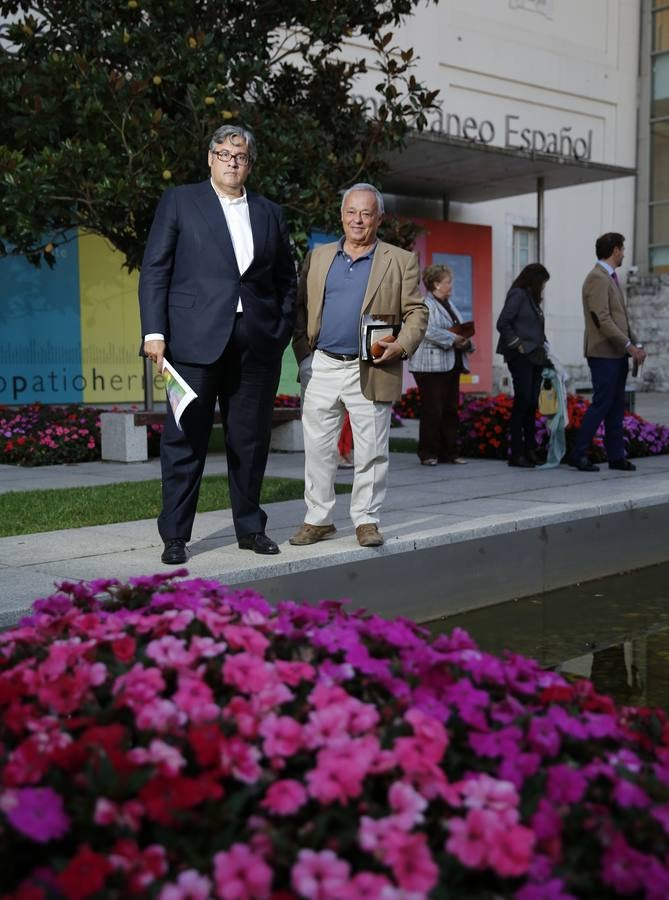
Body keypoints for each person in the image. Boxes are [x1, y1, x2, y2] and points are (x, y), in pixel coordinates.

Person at [139, 125, 297, 564]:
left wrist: (278, 331)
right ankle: (175, 535)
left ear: (249, 163)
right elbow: (155, 270)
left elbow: (286, 279)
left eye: (240, 155)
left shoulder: (270, 213)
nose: (232, 161)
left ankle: (250, 528)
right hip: (190, 346)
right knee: (183, 440)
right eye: (224, 153)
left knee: (249, 443)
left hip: (255, 348)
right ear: (210, 158)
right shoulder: (179, 201)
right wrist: (154, 333)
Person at [289, 183, 427, 548]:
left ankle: (366, 520)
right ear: (341, 215)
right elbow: (301, 308)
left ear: (379, 218)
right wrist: (304, 353)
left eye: (366, 213)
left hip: (372, 365)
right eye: (351, 212)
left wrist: (400, 344)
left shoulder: (400, 260)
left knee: (371, 451)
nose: (358, 220)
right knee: (318, 449)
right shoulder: (318, 257)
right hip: (322, 366)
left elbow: (416, 311)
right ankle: (318, 519)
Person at [569, 232, 645, 472]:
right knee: (602, 404)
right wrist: (628, 345)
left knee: (615, 406)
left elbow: (619, 318)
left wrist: (634, 343)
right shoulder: (597, 278)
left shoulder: (610, 277)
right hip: (603, 353)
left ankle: (615, 457)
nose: (623, 253)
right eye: (622, 249)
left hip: (616, 353)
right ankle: (578, 453)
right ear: (614, 250)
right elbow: (602, 318)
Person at [409, 263, 474, 465]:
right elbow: (426, 330)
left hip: (451, 364)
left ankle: (450, 452)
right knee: (432, 410)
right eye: (448, 282)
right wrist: (452, 338)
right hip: (430, 367)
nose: (451, 285)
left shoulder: (450, 304)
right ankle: (428, 453)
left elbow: (458, 329)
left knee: (450, 409)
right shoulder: (425, 304)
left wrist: (466, 341)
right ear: (436, 284)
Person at [496, 263, 551, 468]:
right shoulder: (518, 295)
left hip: (536, 356)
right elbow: (503, 323)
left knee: (531, 405)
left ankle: (530, 449)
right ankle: (516, 452)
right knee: (523, 402)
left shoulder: (533, 300)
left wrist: (547, 351)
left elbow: (536, 329)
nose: (544, 288)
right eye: (543, 283)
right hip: (521, 356)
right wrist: (517, 344)